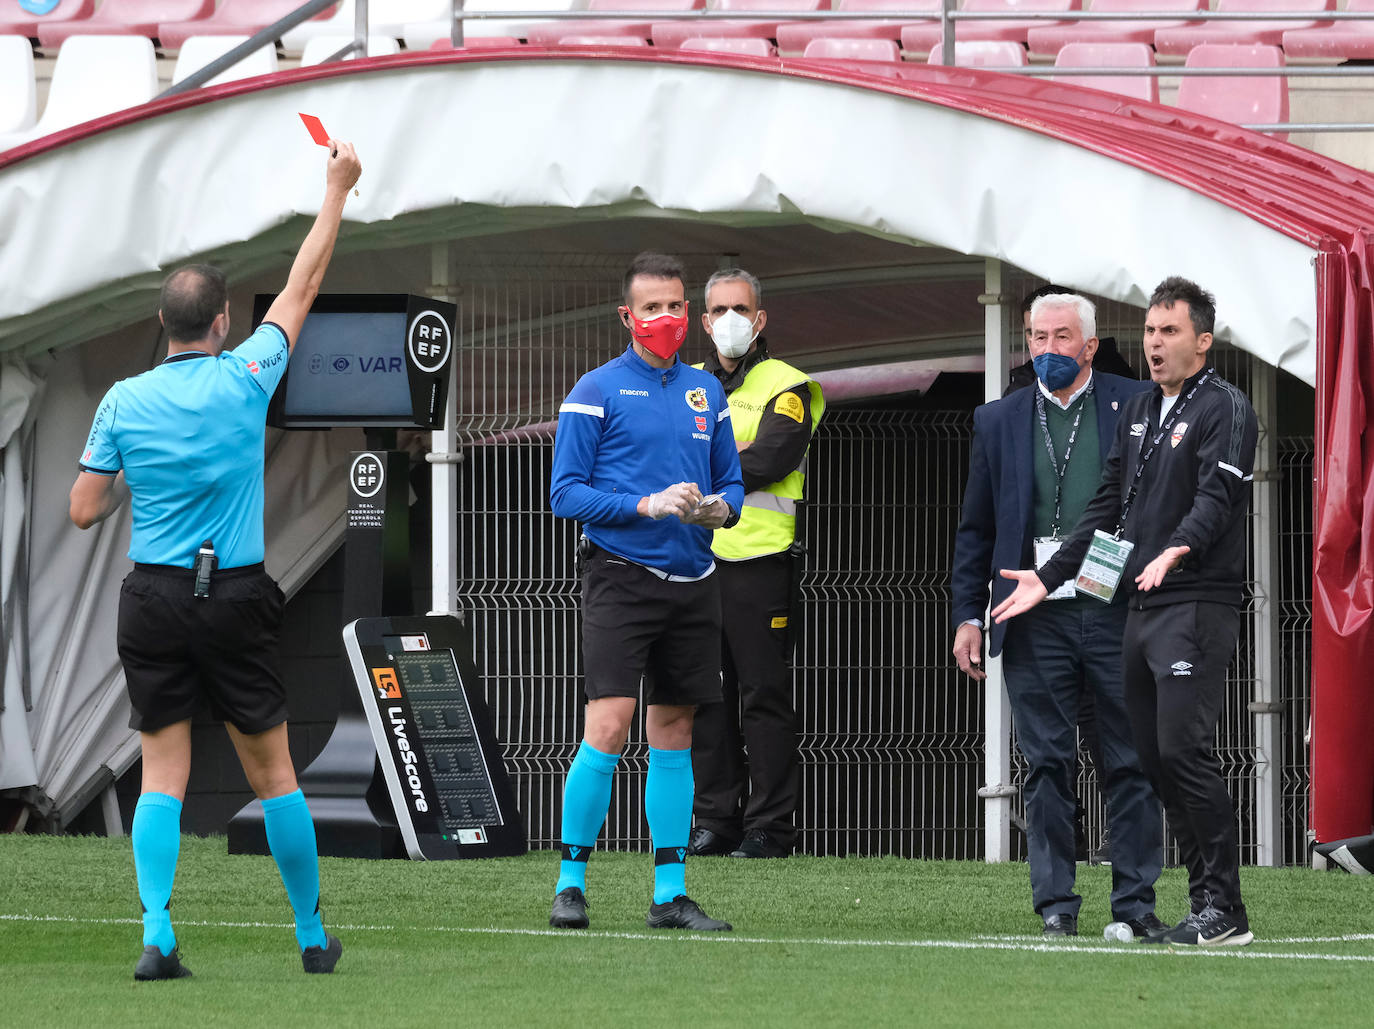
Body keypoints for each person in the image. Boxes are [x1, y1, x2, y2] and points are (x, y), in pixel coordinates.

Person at [69, 141, 363, 980]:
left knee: (163, 768)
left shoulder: (124, 400)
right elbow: (303, 286)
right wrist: (335, 188)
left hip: (154, 597)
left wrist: (139, 471)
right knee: (273, 771)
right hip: (231, 592)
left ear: (163, 324)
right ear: (223, 321)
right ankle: (311, 936)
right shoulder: (245, 378)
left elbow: (84, 509)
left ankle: (158, 933)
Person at [995, 277, 1259, 947]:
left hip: (1195, 600)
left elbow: (1215, 500)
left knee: (1180, 749)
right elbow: (1106, 506)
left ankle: (1223, 904)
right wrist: (1047, 578)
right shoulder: (1142, 407)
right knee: (1152, 755)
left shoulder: (1227, 409)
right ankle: (1206, 905)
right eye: (1148, 331)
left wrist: (1175, 549)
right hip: (1140, 602)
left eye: (1169, 332)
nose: (1155, 344)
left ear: (1203, 340)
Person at [952, 292, 1165, 938]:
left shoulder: (1137, 405)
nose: (1047, 349)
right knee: (1046, 762)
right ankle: (1056, 905)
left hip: (1113, 608)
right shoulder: (999, 420)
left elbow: (1155, 508)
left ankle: (1135, 904)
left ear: (1091, 345)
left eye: (1062, 337)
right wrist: (967, 613)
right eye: (1037, 337)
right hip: (1029, 614)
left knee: (1129, 758)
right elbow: (976, 528)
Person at [547, 251, 745, 931]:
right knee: (607, 723)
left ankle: (669, 893)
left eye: (676, 305)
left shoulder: (706, 392)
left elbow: (734, 484)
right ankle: (570, 882)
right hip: (620, 577)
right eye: (653, 307)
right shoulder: (595, 389)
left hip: (695, 580)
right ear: (627, 316)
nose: (667, 318)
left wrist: (720, 511)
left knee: (676, 730)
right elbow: (564, 493)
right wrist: (647, 504)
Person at [686, 268, 824, 860]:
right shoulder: (684, 383)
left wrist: (703, 459)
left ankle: (770, 827)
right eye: (718, 310)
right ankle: (716, 820)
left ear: (761, 318)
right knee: (704, 697)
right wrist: (729, 454)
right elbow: (649, 455)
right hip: (692, 563)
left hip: (760, 559)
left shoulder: (786, 384)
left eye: (740, 308)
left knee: (762, 697)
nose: (729, 320)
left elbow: (770, 457)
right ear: (703, 320)